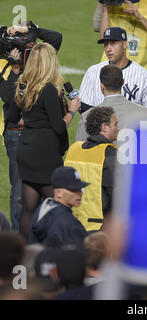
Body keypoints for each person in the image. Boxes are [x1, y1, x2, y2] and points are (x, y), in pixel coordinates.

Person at [13, 43, 81, 241]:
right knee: (58, 206)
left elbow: (12, 116)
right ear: (51, 62)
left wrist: (33, 121)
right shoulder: (49, 90)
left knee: (28, 208)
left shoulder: (22, 86)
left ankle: (25, 252)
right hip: (45, 154)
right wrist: (72, 111)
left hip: (25, 149)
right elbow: (59, 127)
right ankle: (56, 248)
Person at [0, 21, 62, 232]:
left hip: (35, 136)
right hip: (17, 134)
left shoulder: (38, 56)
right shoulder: (5, 65)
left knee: (37, 190)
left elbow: (55, 38)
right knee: (20, 194)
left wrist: (30, 28)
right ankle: (18, 241)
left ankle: (37, 236)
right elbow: (8, 98)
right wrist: (15, 68)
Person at [78, 27, 147, 114]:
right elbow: (85, 109)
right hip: (101, 126)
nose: (108, 49)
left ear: (124, 44)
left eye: (113, 44)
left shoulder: (143, 75)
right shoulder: (92, 73)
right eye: (106, 44)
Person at [65, 107, 119, 232]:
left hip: (73, 223)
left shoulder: (74, 149)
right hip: (99, 227)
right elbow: (117, 197)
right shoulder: (112, 155)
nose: (118, 128)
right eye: (115, 124)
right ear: (104, 127)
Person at [76, 64, 147, 141]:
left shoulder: (87, 116)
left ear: (102, 86)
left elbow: (80, 150)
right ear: (123, 82)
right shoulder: (144, 113)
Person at [94, 0, 147, 79]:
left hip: (142, 70)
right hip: (112, 69)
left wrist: (140, 17)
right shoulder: (111, 3)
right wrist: (105, 9)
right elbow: (103, 36)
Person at [28, 166, 89, 248]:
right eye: (74, 190)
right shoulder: (70, 224)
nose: (80, 194)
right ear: (59, 192)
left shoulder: (42, 210)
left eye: (80, 189)